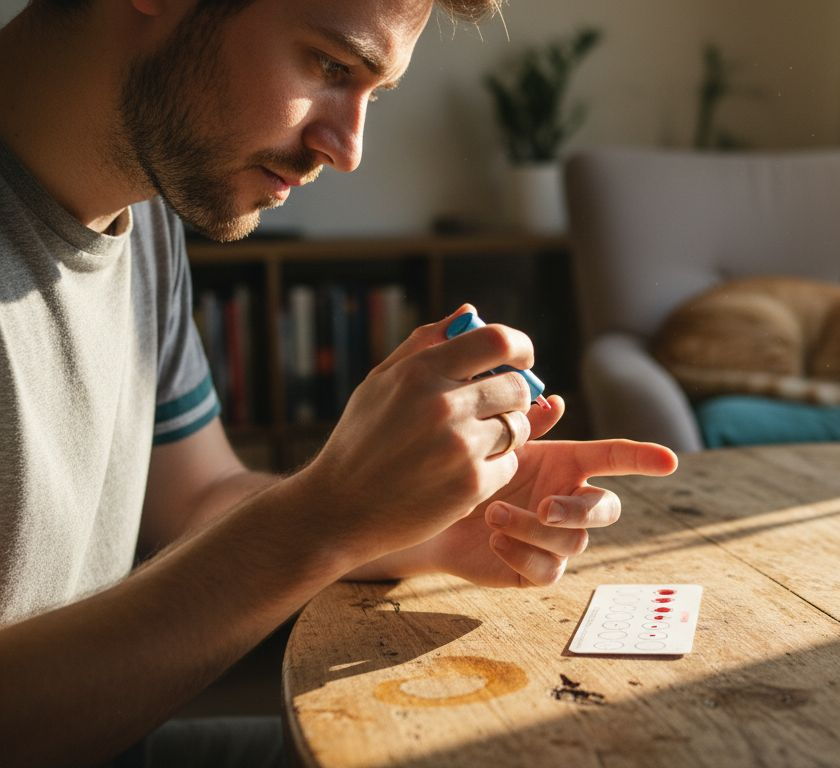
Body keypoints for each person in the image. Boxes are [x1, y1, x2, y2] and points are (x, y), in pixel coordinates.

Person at [0, 1, 679, 765]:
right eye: (329, 66)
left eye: (372, 92)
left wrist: (404, 524)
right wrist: (326, 517)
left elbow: (196, 500)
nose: (348, 147)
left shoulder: (142, 211)